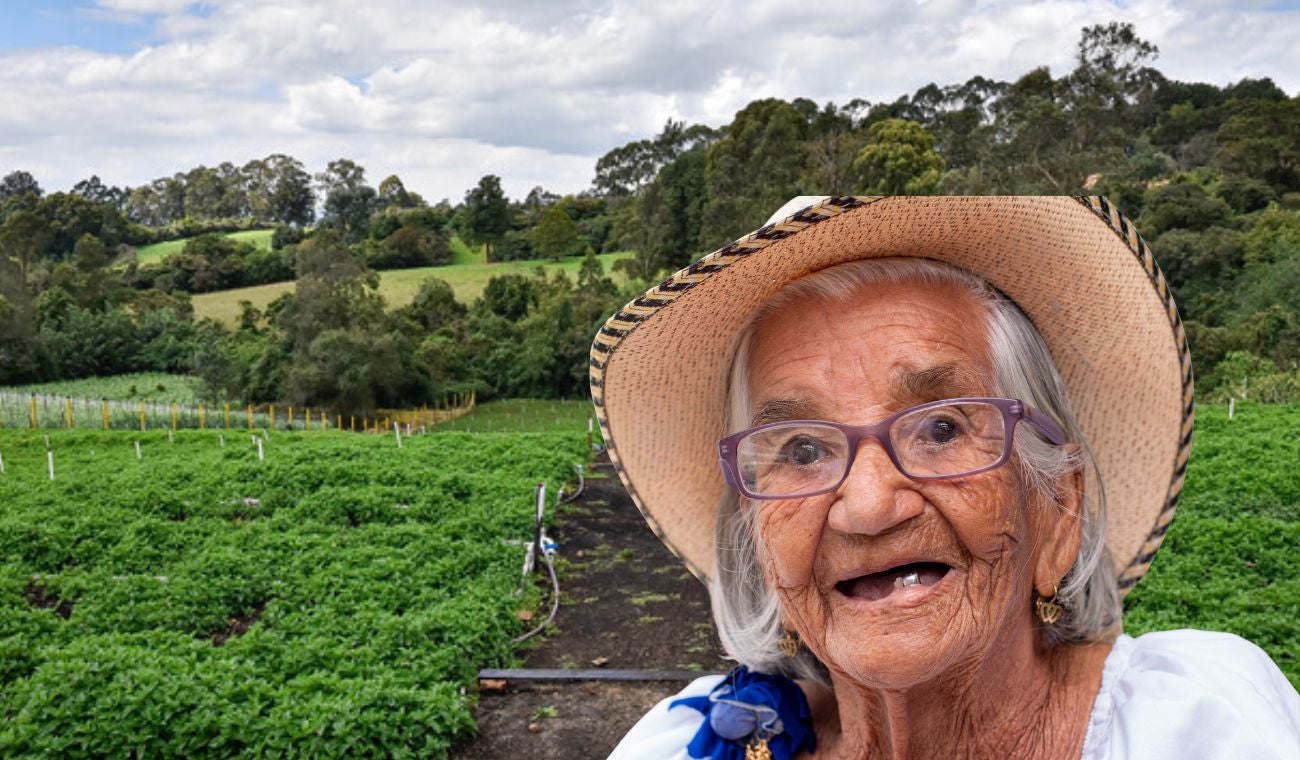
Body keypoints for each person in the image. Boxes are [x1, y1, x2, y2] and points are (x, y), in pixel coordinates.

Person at [591, 196, 1299, 759]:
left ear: (1056, 509)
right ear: (756, 539)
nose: (866, 507)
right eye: (803, 449)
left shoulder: (1203, 726)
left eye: (940, 428)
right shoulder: (690, 745)